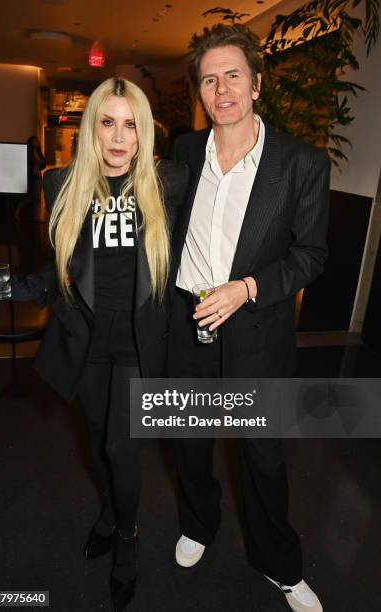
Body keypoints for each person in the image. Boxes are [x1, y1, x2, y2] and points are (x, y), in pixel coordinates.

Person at [0, 77, 187, 611]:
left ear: (145, 131)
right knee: (98, 440)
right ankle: (108, 513)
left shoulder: (169, 182)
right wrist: (11, 287)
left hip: (136, 344)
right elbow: (58, 271)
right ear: (92, 129)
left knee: (119, 448)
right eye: (108, 122)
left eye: (131, 124)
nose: (119, 137)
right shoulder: (61, 184)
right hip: (85, 343)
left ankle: (126, 543)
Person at [168, 24, 330, 612]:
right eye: (209, 79)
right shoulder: (186, 151)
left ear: (257, 83)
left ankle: (279, 564)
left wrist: (248, 288)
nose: (222, 89)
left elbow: (311, 254)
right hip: (185, 324)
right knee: (188, 439)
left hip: (255, 329)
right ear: (201, 92)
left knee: (262, 454)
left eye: (233, 74)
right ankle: (197, 522)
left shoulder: (302, 164)